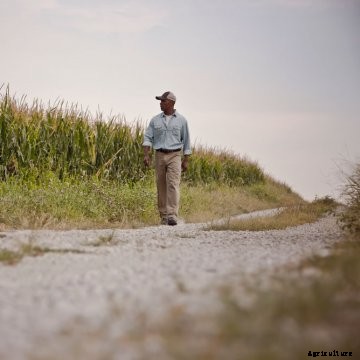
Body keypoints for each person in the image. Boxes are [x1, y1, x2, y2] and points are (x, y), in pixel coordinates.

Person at [143, 91, 192, 226]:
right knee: (161, 185)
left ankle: (172, 215)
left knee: (173, 184)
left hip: (175, 155)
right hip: (159, 154)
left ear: (171, 102)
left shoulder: (181, 120)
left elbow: (186, 140)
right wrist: (146, 155)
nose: (160, 103)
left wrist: (186, 159)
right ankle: (164, 216)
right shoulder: (155, 120)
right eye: (160, 101)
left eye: (163, 101)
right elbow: (148, 137)